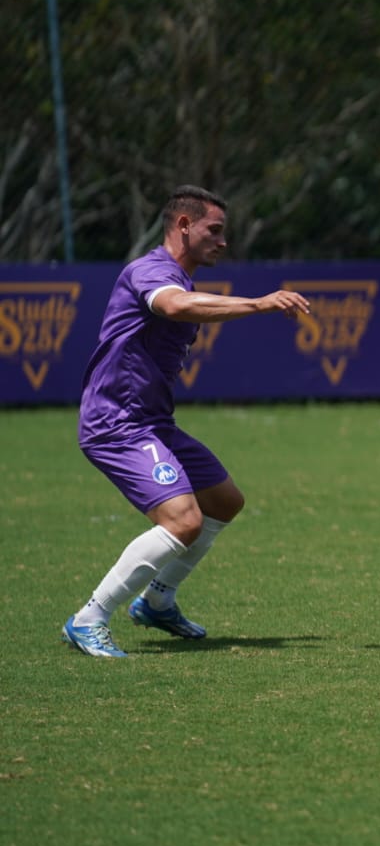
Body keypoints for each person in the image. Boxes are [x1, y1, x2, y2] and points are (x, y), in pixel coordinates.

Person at [63, 185, 311, 657]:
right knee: (182, 520)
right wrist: (259, 303)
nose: (222, 241)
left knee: (224, 501)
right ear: (183, 226)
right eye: (213, 231)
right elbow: (173, 306)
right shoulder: (152, 271)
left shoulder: (181, 279)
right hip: (116, 424)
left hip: (152, 422)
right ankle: (89, 618)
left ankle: (157, 601)